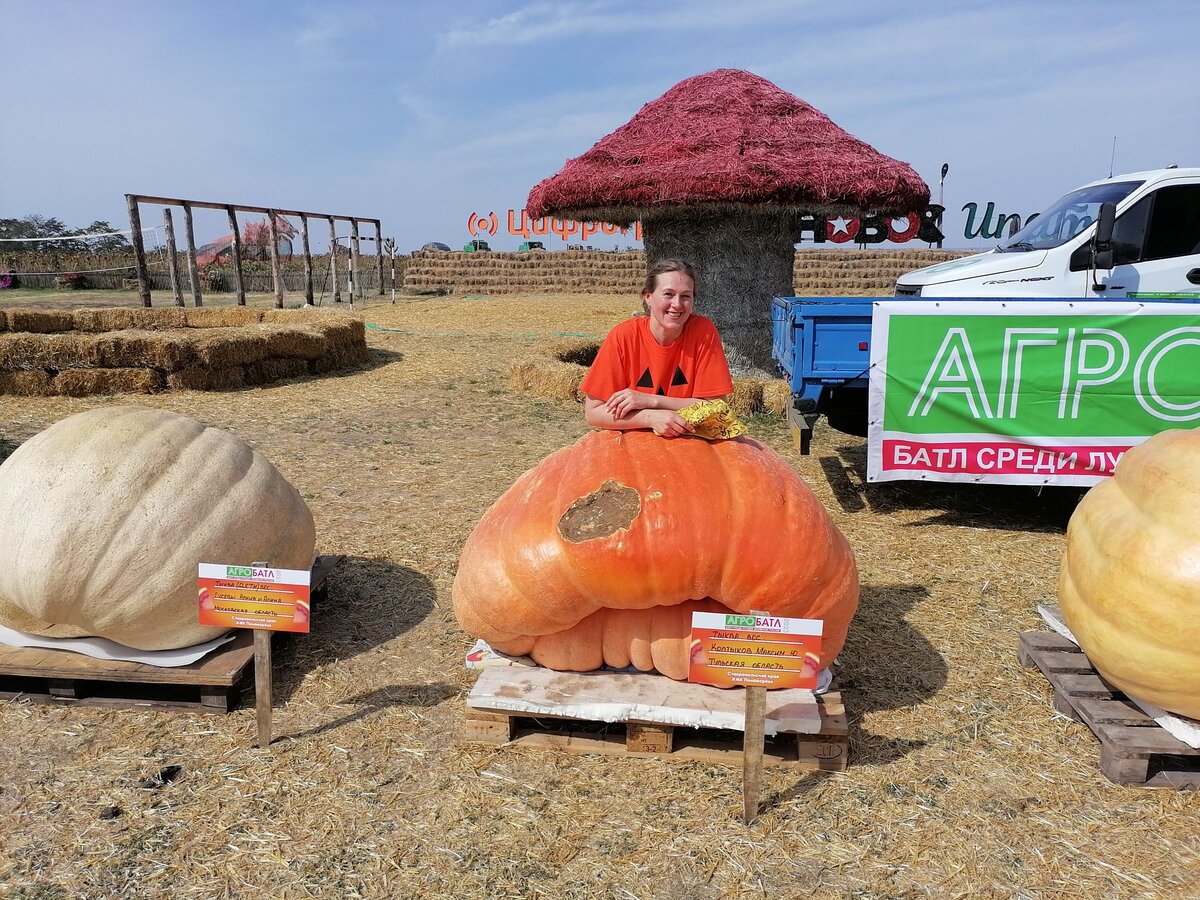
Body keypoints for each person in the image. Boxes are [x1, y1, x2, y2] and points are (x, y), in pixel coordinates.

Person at [581, 259, 733, 438]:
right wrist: (649, 417)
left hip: (689, 442)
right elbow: (593, 412)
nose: (677, 304)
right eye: (668, 294)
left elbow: (717, 408)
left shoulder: (703, 332)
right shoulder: (623, 336)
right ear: (648, 297)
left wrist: (650, 400)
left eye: (685, 296)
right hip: (633, 443)